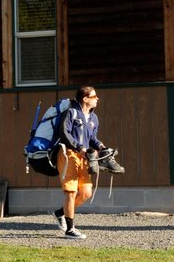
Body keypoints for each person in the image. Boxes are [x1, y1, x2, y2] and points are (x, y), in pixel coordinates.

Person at [51, 86, 123, 239]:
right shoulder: (71, 113)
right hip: (68, 154)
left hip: (84, 157)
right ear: (85, 99)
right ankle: (70, 230)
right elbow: (64, 134)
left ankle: (60, 213)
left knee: (86, 193)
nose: (97, 99)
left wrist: (102, 147)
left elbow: (92, 138)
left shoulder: (93, 118)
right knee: (71, 192)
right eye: (94, 96)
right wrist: (79, 148)